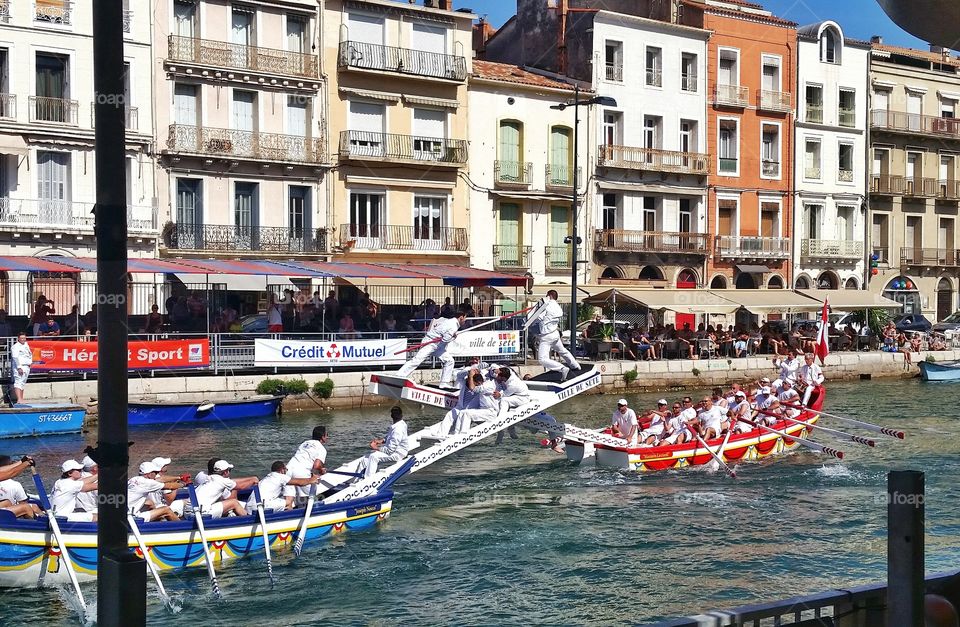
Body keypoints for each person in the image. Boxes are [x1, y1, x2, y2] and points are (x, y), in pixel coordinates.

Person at [396, 308, 467, 386]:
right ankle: (399, 375)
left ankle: (444, 383)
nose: (465, 320)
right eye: (465, 318)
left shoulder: (451, 322)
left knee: (449, 361)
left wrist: (452, 336)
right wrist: (453, 337)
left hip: (438, 345)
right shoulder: (453, 324)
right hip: (430, 343)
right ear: (461, 317)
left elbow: (444, 337)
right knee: (417, 360)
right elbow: (445, 339)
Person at [529, 290, 580, 381]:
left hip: (547, 335)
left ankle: (562, 368)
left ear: (549, 296)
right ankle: (575, 365)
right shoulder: (558, 307)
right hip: (555, 333)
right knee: (562, 351)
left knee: (542, 359)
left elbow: (537, 318)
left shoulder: (546, 306)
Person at [246, 461, 319, 513]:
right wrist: (311, 480)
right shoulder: (281, 477)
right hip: (260, 507)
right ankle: (290, 518)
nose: (286, 471)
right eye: (286, 469)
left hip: (249, 507)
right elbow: (300, 483)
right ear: (282, 470)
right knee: (288, 502)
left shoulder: (265, 478)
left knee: (281, 500)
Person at [363, 406, 409, 479]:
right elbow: (391, 437)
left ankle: (368, 480)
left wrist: (376, 448)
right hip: (395, 450)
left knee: (373, 457)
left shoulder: (397, 430)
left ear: (391, 416)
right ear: (401, 415)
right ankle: (359, 478)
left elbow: (389, 450)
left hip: (398, 453)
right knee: (366, 457)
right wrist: (382, 441)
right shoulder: (401, 423)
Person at [287, 426, 329, 499]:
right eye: (327, 435)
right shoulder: (322, 449)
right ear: (322, 437)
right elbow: (316, 466)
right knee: (311, 496)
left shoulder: (305, 443)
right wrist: (321, 470)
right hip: (300, 473)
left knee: (289, 500)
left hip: (288, 469)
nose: (328, 437)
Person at [10, 332, 32, 404]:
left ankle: (21, 399)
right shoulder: (15, 346)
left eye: (24, 338)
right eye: (21, 338)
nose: (23, 339)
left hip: (26, 366)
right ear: (18, 338)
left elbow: (29, 354)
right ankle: (19, 399)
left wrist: (30, 363)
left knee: (22, 382)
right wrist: (19, 367)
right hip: (20, 366)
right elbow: (15, 357)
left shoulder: (26, 345)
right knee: (18, 382)